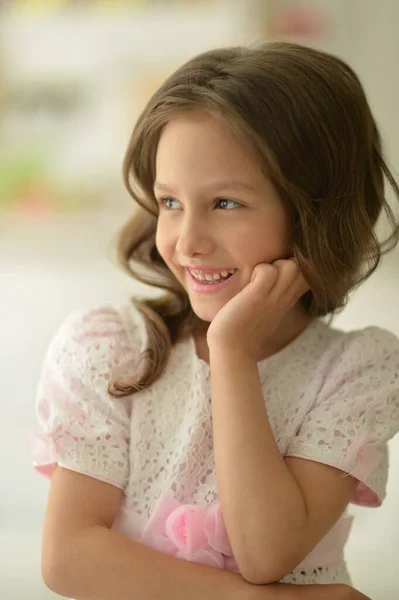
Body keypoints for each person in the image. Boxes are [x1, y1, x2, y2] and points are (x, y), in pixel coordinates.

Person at [25, 42, 399, 600]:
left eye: (226, 203)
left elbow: (266, 551)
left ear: (314, 214)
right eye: (171, 202)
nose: (189, 242)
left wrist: (230, 353)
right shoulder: (110, 348)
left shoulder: (356, 372)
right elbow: (69, 558)